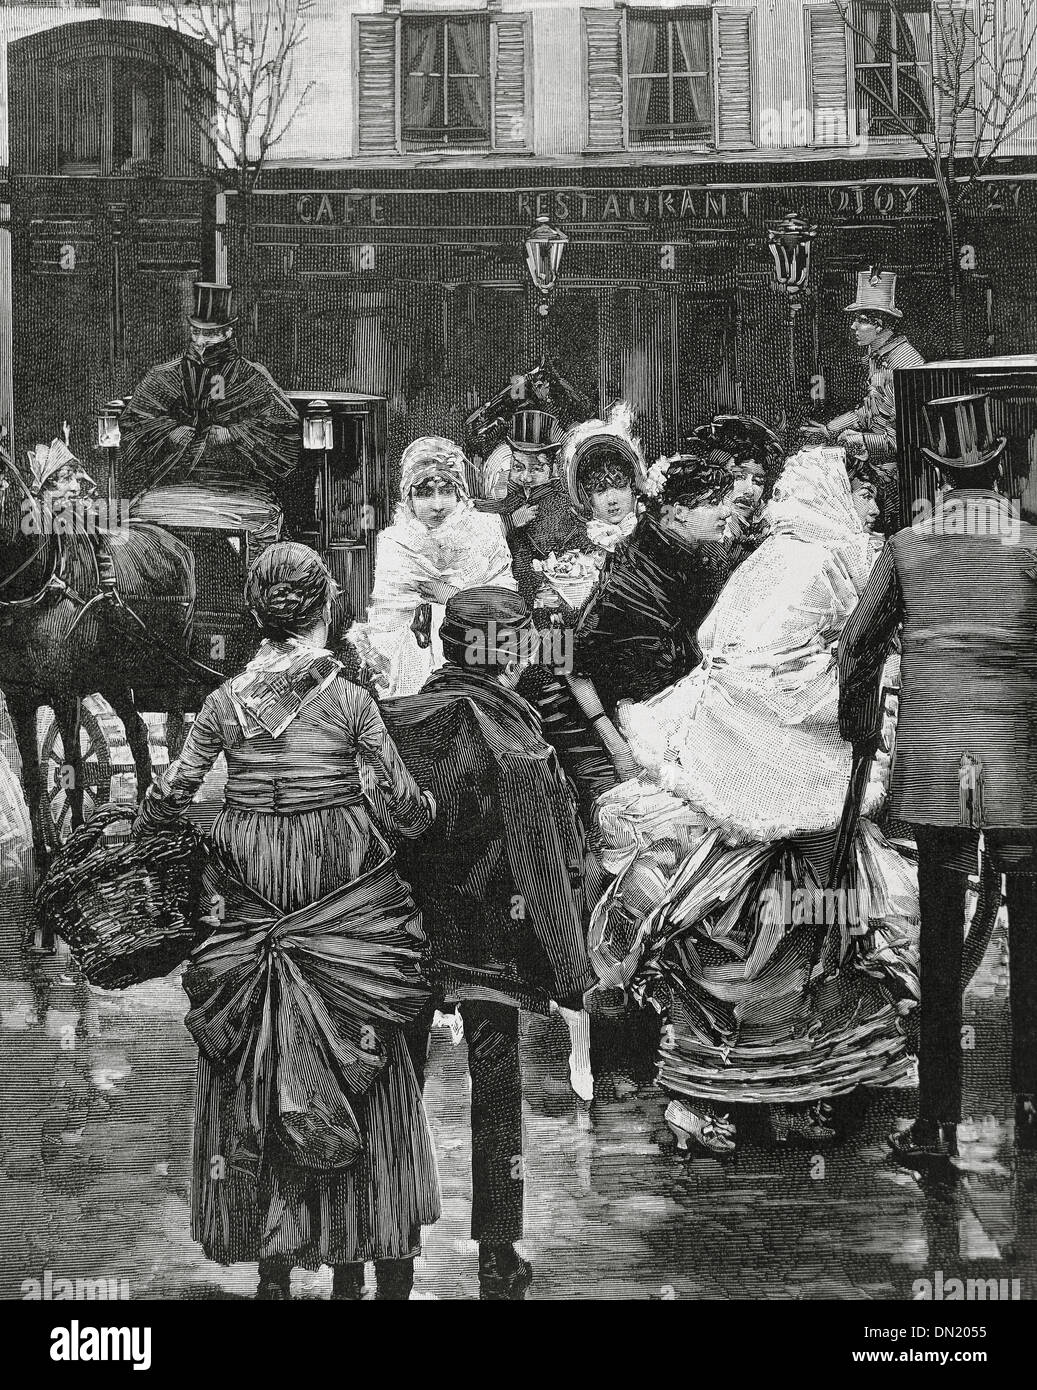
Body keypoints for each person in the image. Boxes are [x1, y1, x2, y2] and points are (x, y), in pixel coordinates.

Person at [133, 542, 441, 1300]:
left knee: (257, 1066)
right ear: (327, 607)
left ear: (255, 613)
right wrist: (416, 809)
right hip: (341, 882)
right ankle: (354, 1254)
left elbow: (168, 797)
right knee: (358, 1058)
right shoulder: (350, 699)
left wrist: (214, 826)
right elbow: (405, 808)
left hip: (251, 880)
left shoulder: (225, 701)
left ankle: (273, 1260)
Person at [591, 447, 918, 1153]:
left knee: (775, 930)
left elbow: (733, 644)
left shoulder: (784, 554)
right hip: (773, 763)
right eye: (864, 494)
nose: (870, 509)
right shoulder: (817, 559)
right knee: (781, 934)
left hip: (767, 763)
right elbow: (771, 661)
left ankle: (766, 1092)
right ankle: (752, 1094)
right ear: (840, 493)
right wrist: (839, 701)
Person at [838, 392, 1037, 1168]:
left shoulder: (908, 547)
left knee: (938, 942)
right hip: (1019, 759)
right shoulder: (1029, 547)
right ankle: (1027, 1104)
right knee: (1030, 934)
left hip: (938, 763)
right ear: (1000, 469)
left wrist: (859, 729)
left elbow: (856, 649)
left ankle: (934, 1124)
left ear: (936, 475)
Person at [378, 588, 595, 1298]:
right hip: (488, 943)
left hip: (406, 933)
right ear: (506, 653)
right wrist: (572, 971)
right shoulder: (517, 738)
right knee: (496, 1095)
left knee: (395, 1093)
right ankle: (498, 1255)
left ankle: (392, 1252)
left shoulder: (395, 721)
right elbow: (544, 865)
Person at [567, 449, 734, 782]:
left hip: (694, 706)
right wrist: (614, 743)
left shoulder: (706, 558)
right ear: (680, 513)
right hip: (640, 719)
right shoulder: (630, 574)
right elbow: (573, 659)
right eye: (713, 502)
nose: (725, 512)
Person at [119, 282, 300, 558]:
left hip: (239, 487)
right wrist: (171, 432)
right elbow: (134, 426)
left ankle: (257, 591)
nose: (201, 342)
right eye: (196, 332)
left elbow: (283, 431)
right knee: (134, 520)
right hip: (172, 484)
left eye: (211, 334)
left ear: (228, 332)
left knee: (263, 522)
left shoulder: (252, 378)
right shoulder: (163, 377)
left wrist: (232, 435)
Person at [351, 436, 516, 697]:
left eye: (447, 490)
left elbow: (505, 607)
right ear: (408, 496)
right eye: (425, 492)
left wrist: (449, 597)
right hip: (413, 676)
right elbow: (387, 623)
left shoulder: (487, 531)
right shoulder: (395, 544)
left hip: (481, 666)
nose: (438, 505)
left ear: (460, 492)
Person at [810, 269, 924, 533]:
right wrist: (830, 429)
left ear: (880, 325)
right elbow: (868, 412)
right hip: (879, 471)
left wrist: (861, 441)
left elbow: (908, 439)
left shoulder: (904, 364)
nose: (853, 327)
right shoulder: (879, 357)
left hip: (900, 481)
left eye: (861, 321)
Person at [493, 409, 589, 612]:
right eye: (518, 467)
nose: (526, 478)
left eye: (536, 469)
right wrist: (510, 523)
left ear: (552, 469)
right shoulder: (506, 502)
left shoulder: (564, 508)